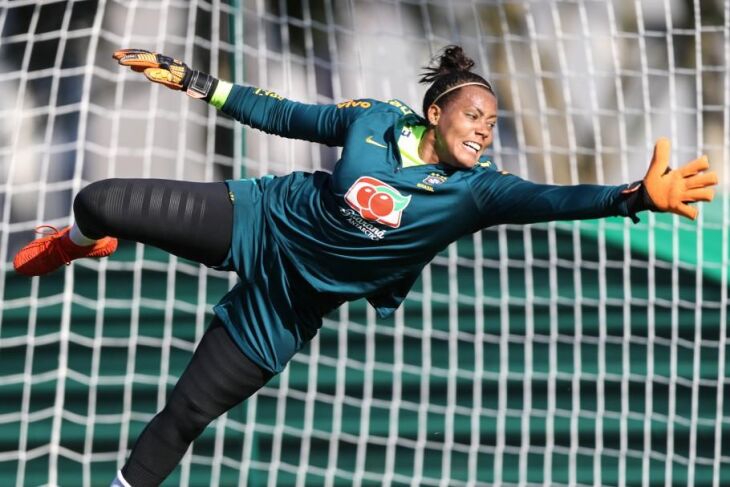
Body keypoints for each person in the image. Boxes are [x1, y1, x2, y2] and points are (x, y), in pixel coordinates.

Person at [13, 45, 717, 487]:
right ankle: (82, 241)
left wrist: (631, 198)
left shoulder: (478, 192)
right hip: (260, 217)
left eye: (492, 124)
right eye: (475, 115)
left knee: (186, 413)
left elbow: (557, 198)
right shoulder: (372, 119)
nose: (484, 130)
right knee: (99, 200)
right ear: (436, 111)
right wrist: (195, 81)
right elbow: (284, 113)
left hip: (288, 305)